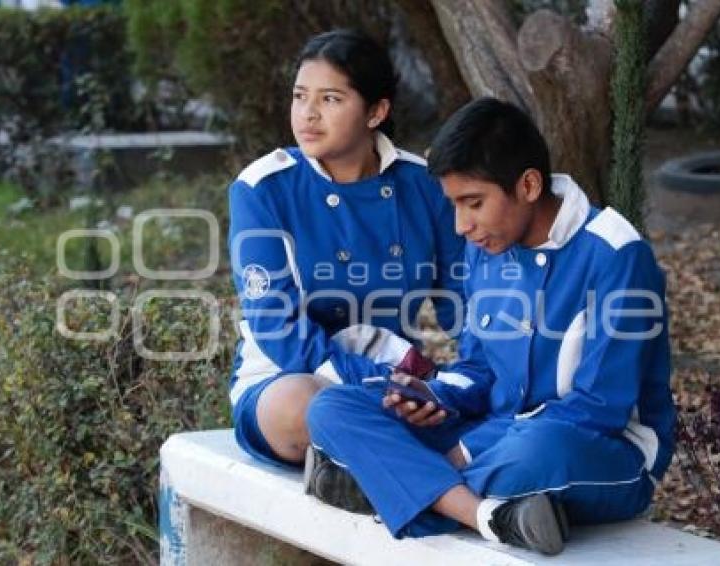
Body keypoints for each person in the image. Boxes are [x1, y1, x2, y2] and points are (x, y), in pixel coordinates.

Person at [304, 97, 676, 556]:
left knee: (533, 452)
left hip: (598, 450)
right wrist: (434, 396)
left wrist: (463, 451)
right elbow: (478, 367)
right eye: (453, 205)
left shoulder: (616, 255)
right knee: (334, 407)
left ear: (528, 185)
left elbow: (598, 408)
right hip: (494, 433)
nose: (461, 225)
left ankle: (382, 487)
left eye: (473, 203)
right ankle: (490, 515)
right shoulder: (486, 249)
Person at [227, 29, 465, 467]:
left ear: (376, 112)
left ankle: (360, 470)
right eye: (300, 96)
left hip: (405, 376)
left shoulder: (424, 185)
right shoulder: (264, 189)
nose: (308, 114)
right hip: (293, 375)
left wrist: (444, 378)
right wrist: (379, 382)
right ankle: (434, 464)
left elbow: (457, 299)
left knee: (480, 400)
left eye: (330, 99)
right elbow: (276, 322)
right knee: (302, 408)